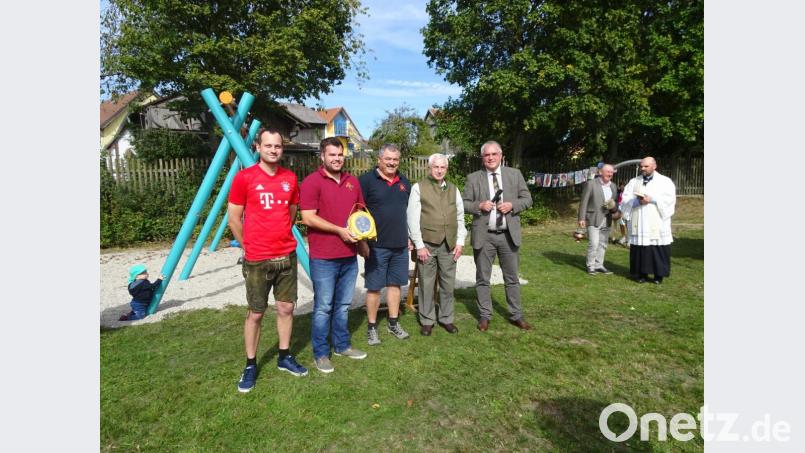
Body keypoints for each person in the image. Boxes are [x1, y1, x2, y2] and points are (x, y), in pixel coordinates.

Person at [228, 127, 308, 393]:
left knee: (286, 309)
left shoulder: (290, 178)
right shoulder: (244, 178)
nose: (274, 150)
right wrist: (248, 245)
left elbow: (292, 212)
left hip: (286, 255)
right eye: (269, 146)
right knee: (256, 313)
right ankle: (251, 364)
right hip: (257, 259)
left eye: (278, 146)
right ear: (258, 148)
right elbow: (234, 218)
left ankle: (284, 357)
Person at [301, 137, 368, 373]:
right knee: (323, 307)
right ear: (322, 156)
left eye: (340, 155)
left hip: (349, 256)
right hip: (323, 257)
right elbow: (308, 217)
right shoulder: (311, 182)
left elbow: (360, 214)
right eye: (332, 155)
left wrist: (363, 242)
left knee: (342, 305)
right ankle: (321, 353)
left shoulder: (352, 182)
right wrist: (339, 230)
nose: (337, 159)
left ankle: (342, 345)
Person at [463, 141, 534, 331]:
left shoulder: (514, 174)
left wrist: (512, 205)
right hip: (484, 236)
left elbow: (528, 199)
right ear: (482, 158)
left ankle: (516, 315)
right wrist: (479, 205)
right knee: (482, 278)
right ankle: (485, 316)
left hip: (508, 235)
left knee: (511, 278)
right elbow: (463, 204)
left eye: (494, 154)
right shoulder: (473, 178)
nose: (491, 158)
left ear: (501, 155)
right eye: (487, 155)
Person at [407, 153, 467, 335]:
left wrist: (460, 242)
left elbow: (460, 217)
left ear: (446, 169)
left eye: (443, 167)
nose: (440, 170)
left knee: (448, 284)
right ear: (429, 168)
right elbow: (412, 218)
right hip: (427, 244)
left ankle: (446, 318)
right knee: (426, 283)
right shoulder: (418, 187)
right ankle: (427, 320)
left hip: (449, 244)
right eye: (436, 167)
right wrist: (419, 245)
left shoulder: (453, 189)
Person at [358, 144, 412, 345]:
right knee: (374, 287)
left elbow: (409, 212)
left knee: (395, 285)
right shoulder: (366, 181)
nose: (391, 163)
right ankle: (372, 327)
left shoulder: (405, 182)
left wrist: (409, 237)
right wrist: (362, 242)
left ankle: (393, 322)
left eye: (395, 159)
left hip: (400, 245)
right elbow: (358, 213)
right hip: (376, 245)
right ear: (379, 159)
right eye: (388, 159)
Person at [620, 156, 677, 284]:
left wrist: (653, 200)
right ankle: (642, 274)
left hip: (657, 220)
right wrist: (637, 201)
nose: (643, 168)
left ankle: (659, 275)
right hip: (639, 220)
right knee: (641, 248)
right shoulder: (634, 181)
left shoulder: (665, 181)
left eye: (646, 166)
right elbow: (625, 199)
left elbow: (670, 200)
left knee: (658, 247)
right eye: (641, 166)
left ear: (654, 166)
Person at [577, 163, 618, 275]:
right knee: (594, 243)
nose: (610, 174)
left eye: (611, 172)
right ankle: (591, 266)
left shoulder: (613, 186)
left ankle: (599, 265)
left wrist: (614, 207)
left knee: (603, 243)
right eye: (607, 171)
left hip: (607, 218)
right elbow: (584, 202)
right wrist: (581, 218)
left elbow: (615, 202)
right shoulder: (591, 184)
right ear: (600, 172)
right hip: (593, 217)